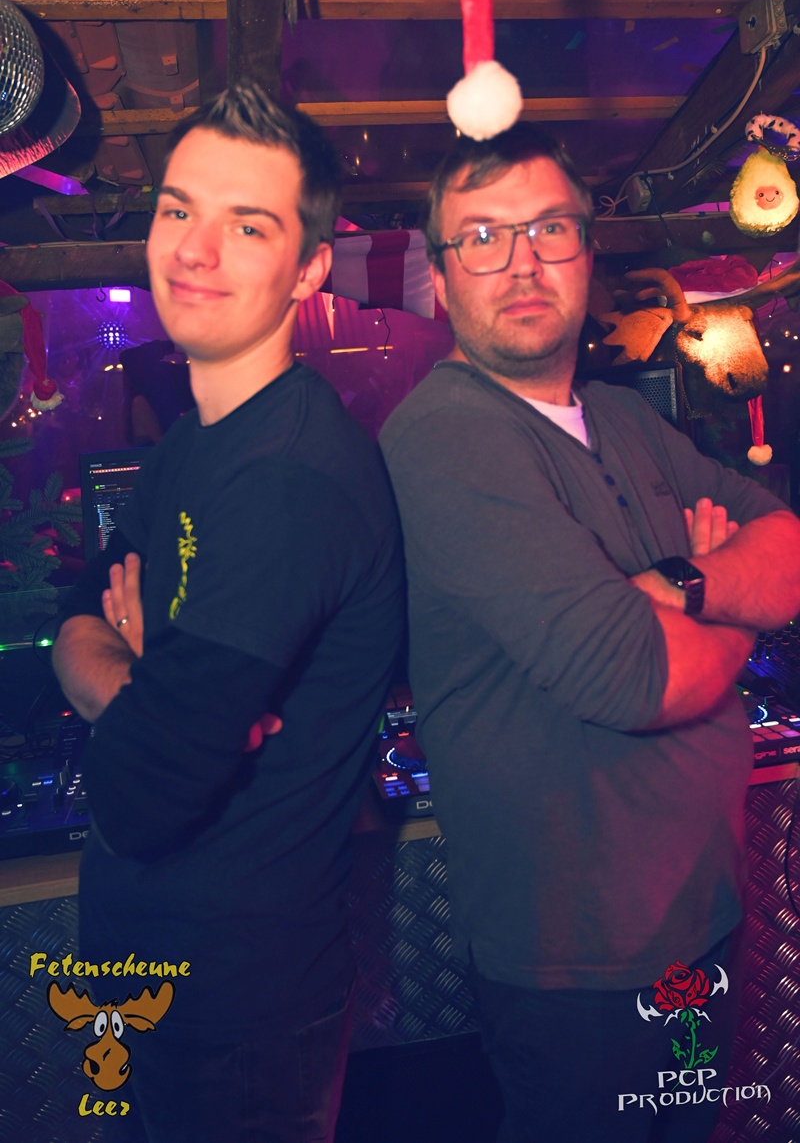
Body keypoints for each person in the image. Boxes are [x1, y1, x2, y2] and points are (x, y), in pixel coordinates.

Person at [379, 123, 800, 1143]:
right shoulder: (447, 435)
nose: (521, 262)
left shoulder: (623, 417)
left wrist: (675, 586)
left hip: (699, 916)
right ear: (441, 277)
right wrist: (725, 606)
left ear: (586, 249)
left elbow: (789, 550)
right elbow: (632, 678)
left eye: (549, 228)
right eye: (482, 236)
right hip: (574, 962)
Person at [53, 83, 404, 1143]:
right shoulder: (193, 442)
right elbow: (77, 612)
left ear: (308, 269)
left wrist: (138, 697)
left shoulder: (288, 477)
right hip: (149, 970)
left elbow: (144, 789)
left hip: (237, 1007)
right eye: (178, 209)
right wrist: (142, 687)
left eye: (247, 225)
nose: (194, 250)